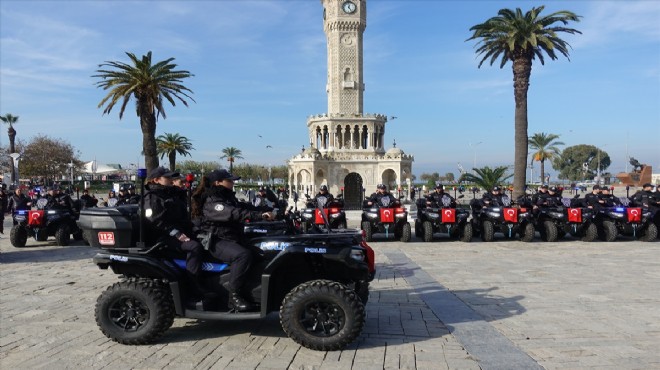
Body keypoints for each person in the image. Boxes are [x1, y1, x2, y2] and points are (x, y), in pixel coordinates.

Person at [191, 169, 274, 312]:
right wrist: (260, 215)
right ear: (218, 183)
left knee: (262, 252)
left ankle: (254, 291)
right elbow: (233, 213)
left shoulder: (227, 197)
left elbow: (243, 207)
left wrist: (267, 208)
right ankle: (233, 297)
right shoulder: (212, 201)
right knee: (242, 255)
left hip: (231, 237)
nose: (233, 182)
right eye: (229, 180)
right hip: (217, 240)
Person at [142, 167, 205, 303]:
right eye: (168, 178)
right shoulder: (152, 197)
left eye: (171, 178)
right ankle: (192, 286)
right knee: (194, 247)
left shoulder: (169, 193)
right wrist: (176, 233)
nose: (171, 180)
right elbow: (155, 220)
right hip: (162, 237)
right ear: (156, 180)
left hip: (178, 232)